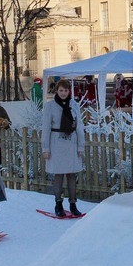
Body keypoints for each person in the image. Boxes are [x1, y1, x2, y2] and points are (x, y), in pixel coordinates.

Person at [40, 79, 87, 217]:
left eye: (66, 90)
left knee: (72, 175)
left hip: (71, 142)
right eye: (61, 90)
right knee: (58, 174)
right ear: (57, 90)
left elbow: (79, 126)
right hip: (56, 143)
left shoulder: (74, 105)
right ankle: (58, 204)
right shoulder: (50, 106)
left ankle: (73, 204)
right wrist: (45, 148)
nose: (63, 93)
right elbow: (46, 128)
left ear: (69, 91)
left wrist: (80, 146)